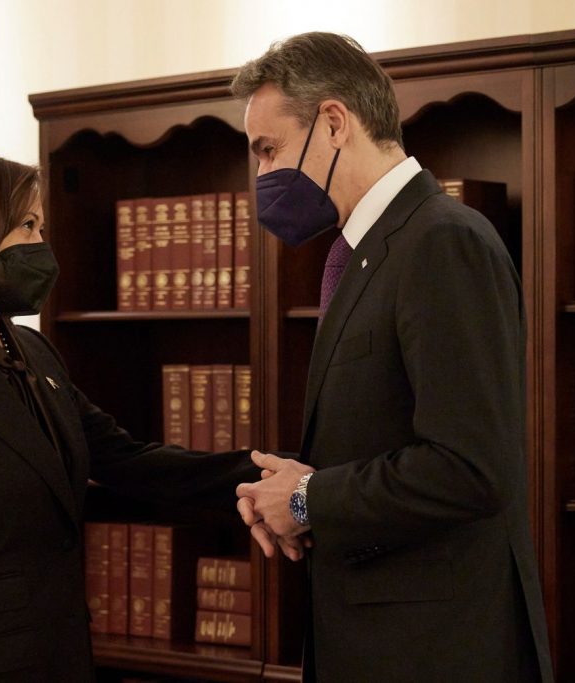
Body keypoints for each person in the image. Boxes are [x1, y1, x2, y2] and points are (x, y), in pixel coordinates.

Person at [0, 147, 261, 681]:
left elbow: (129, 461)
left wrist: (280, 477)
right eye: (27, 226)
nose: (42, 245)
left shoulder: (34, 353)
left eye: (41, 227)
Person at [231, 33, 554, 681]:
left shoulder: (442, 241)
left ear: (333, 122)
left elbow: (470, 467)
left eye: (268, 150)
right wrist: (293, 491)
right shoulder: (367, 249)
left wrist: (308, 499)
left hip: (436, 651)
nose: (262, 176)